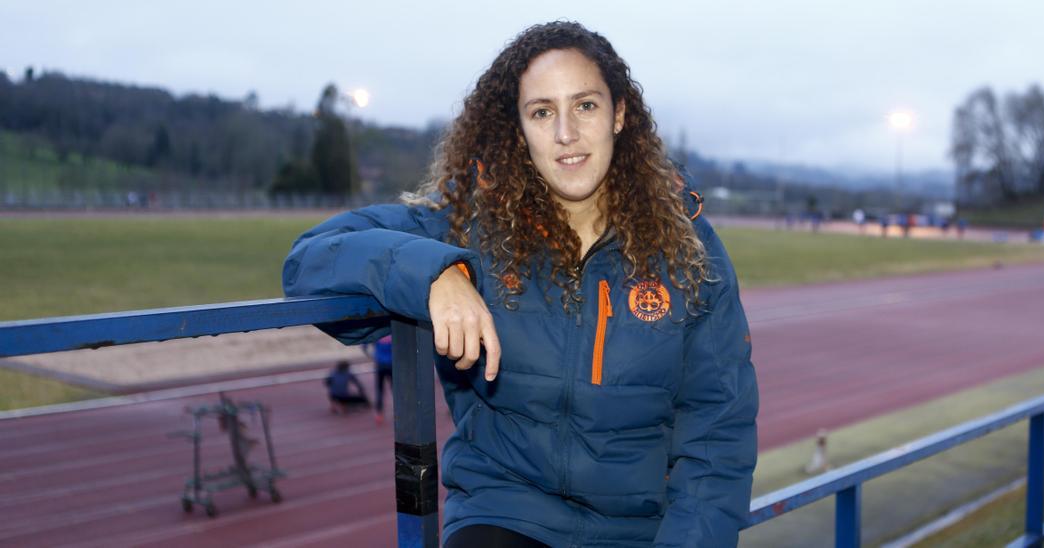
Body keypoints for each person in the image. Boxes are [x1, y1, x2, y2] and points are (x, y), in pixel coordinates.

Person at [283, 21, 757, 548]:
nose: (565, 135)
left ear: (619, 114)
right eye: (541, 112)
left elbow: (718, 432)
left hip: (640, 527)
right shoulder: (474, 227)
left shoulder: (687, 247)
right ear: (518, 129)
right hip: (506, 512)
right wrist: (435, 273)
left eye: (584, 106)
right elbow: (308, 263)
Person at [362, 334, 393, 425]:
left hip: (380, 365)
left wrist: (372, 356)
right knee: (395, 389)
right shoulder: (392, 334)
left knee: (379, 390)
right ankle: (399, 412)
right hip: (391, 365)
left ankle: (379, 414)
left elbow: (364, 346)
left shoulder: (377, 335)